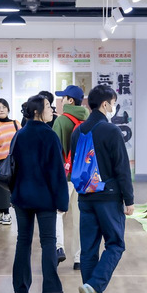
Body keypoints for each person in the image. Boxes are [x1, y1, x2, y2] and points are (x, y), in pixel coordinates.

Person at [71, 85, 134, 293]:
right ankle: (94, 286)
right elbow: (122, 167)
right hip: (108, 197)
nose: (113, 107)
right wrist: (129, 199)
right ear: (105, 104)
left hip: (85, 197)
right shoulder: (111, 130)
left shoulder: (78, 132)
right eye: (113, 103)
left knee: (88, 249)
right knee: (115, 244)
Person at [10, 95, 69, 293]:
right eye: (47, 106)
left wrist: (14, 193)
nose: (51, 109)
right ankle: (51, 288)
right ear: (36, 111)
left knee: (23, 241)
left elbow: (12, 168)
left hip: (21, 196)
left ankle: (20, 288)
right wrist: (62, 201)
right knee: (48, 242)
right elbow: (57, 172)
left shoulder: (19, 135)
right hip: (45, 198)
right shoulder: (49, 135)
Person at [52, 85, 89, 270]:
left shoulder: (61, 121)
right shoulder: (89, 120)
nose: (61, 100)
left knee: (57, 213)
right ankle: (79, 258)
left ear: (70, 101)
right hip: (84, 177)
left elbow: (54, 151)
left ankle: (59, 247)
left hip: (65, 176)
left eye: (63, 97)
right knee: (80, 217)